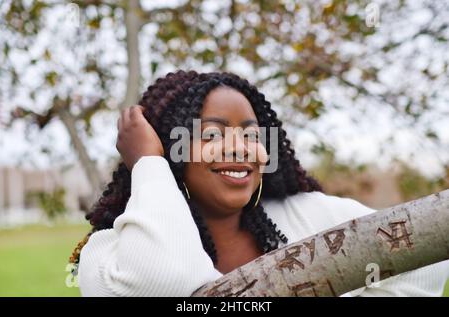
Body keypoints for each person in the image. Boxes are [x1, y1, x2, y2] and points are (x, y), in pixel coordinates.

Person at [71, 70, 449, 296]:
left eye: (252, 135)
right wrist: (150, 165)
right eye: (213, 135)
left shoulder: (311, 216)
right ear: (170, 148)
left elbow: (421, 260)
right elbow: (167, 282)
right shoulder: (109, 254)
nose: (241, 149)